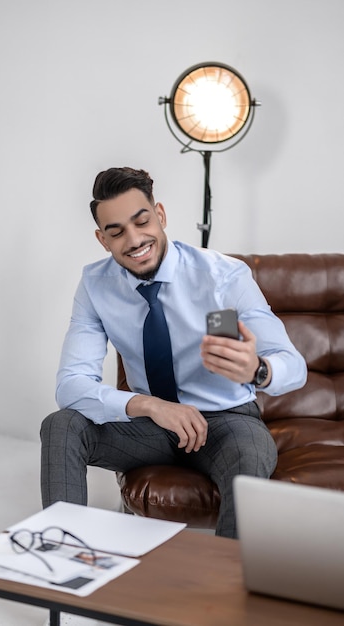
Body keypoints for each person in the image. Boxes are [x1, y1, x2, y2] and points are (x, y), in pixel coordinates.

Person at [40, 167, 307, 539]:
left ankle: (225, 588)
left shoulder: (222, 276)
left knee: (250, 456)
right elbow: (70, 385)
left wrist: (257, 370)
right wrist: (150, 406)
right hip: (154, 425)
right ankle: (61, 568)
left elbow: (294, 366)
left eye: (141, 221)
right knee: (61, 425)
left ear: (160, 215)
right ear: (103, 240)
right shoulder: (95, 285)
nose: (134, 239)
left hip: (226, 419)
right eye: (116, 232)